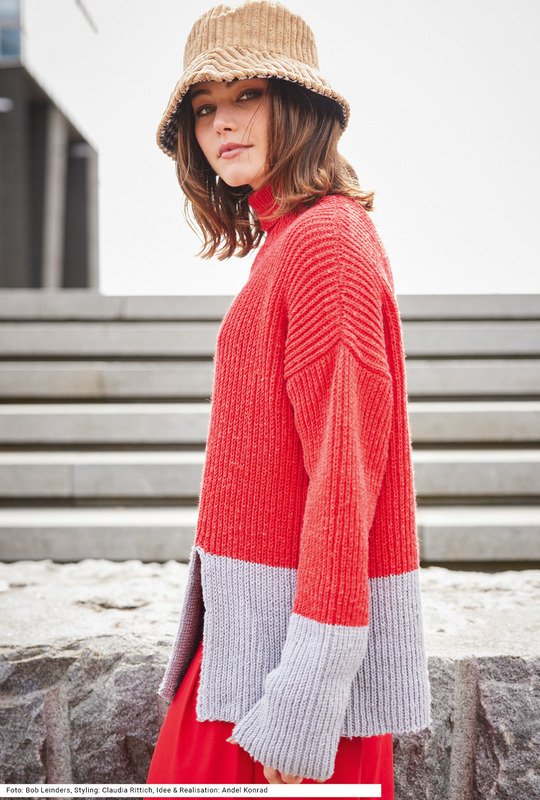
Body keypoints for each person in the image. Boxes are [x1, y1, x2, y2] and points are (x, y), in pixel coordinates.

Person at [146, 1, 432, 796]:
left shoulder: (326, 245)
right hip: (253, 655)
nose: (222, 123)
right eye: (204, 107)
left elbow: (345, 484)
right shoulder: (289, 240)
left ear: (301, 108)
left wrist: (307, 696)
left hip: (288, 688)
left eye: (248, 96)